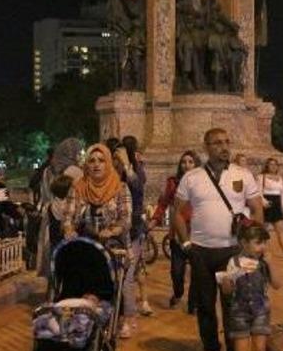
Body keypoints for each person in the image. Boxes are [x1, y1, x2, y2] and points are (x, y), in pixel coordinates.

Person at [172, 127, 264, 351]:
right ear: (206, 147)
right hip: (201, 251)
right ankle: (211, 348)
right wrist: (186, 243)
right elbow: (178, 213)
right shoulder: (192, 177)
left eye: (226, 142)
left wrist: (253, 245)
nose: (224, 147)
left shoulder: (243, 174)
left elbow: (257, 209)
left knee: (232, 304)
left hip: (232, 251)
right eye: (217, 143)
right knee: (205, 303)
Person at [70, 143, 135, 337]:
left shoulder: (120, 187)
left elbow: (126, 217)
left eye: (101, 161)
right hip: (87, 245)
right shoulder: (78, 188)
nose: (96, 165)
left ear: (108, 164)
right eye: (92, 161)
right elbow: (69, 216)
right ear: (86, 165)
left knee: (114, 282)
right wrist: (68, 229)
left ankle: (119, 318)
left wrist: (112, 230)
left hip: (114, 244)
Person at [219, 224, 281, 351]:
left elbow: (277, 284)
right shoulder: (234, 262)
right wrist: (227, 282)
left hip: (261, 310)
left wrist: (271, 264)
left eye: (264, 243)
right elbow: (227, 291)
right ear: (244, 243)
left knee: (260, 349)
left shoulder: (263, 262)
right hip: (239, 311)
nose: (262, 247)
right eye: (258, 243)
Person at [150, 150, 200, 313]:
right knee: (176, 271)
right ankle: (178, 293)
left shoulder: (204, 182)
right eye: (184, 162)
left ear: (196, 164)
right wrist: (155, 219)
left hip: (198, 235)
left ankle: (193, 303)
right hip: (178, 235)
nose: (187, 165)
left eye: (191, 162)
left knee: (197, 273)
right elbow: (163, 203)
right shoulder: (173, 183)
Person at [115, 135, 153, 317]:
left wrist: (127, 165)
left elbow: (138, 187)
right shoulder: (113, 173)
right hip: (116, 226)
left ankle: (134, 311)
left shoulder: (135, 169)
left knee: (133, 270)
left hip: (134, 226)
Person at [37, 138, 84, 279]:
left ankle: (53, 286)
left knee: (54, 250)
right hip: (70, 216)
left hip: (52, 213)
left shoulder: (48, 171)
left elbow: (44, 194)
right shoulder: (75, 171)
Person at [260, 158, 283, 260]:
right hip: (267, 205)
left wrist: (282, 206)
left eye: (275, 165)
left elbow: (282, 193)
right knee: (263, 232)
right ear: (267, 166)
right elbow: (258, 192)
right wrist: (264, 202)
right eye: (271, 164)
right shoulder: (261, 177)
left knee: (280, 231)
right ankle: (261, 252)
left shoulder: (279, 178)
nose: (273, 166)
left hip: (276, 205)